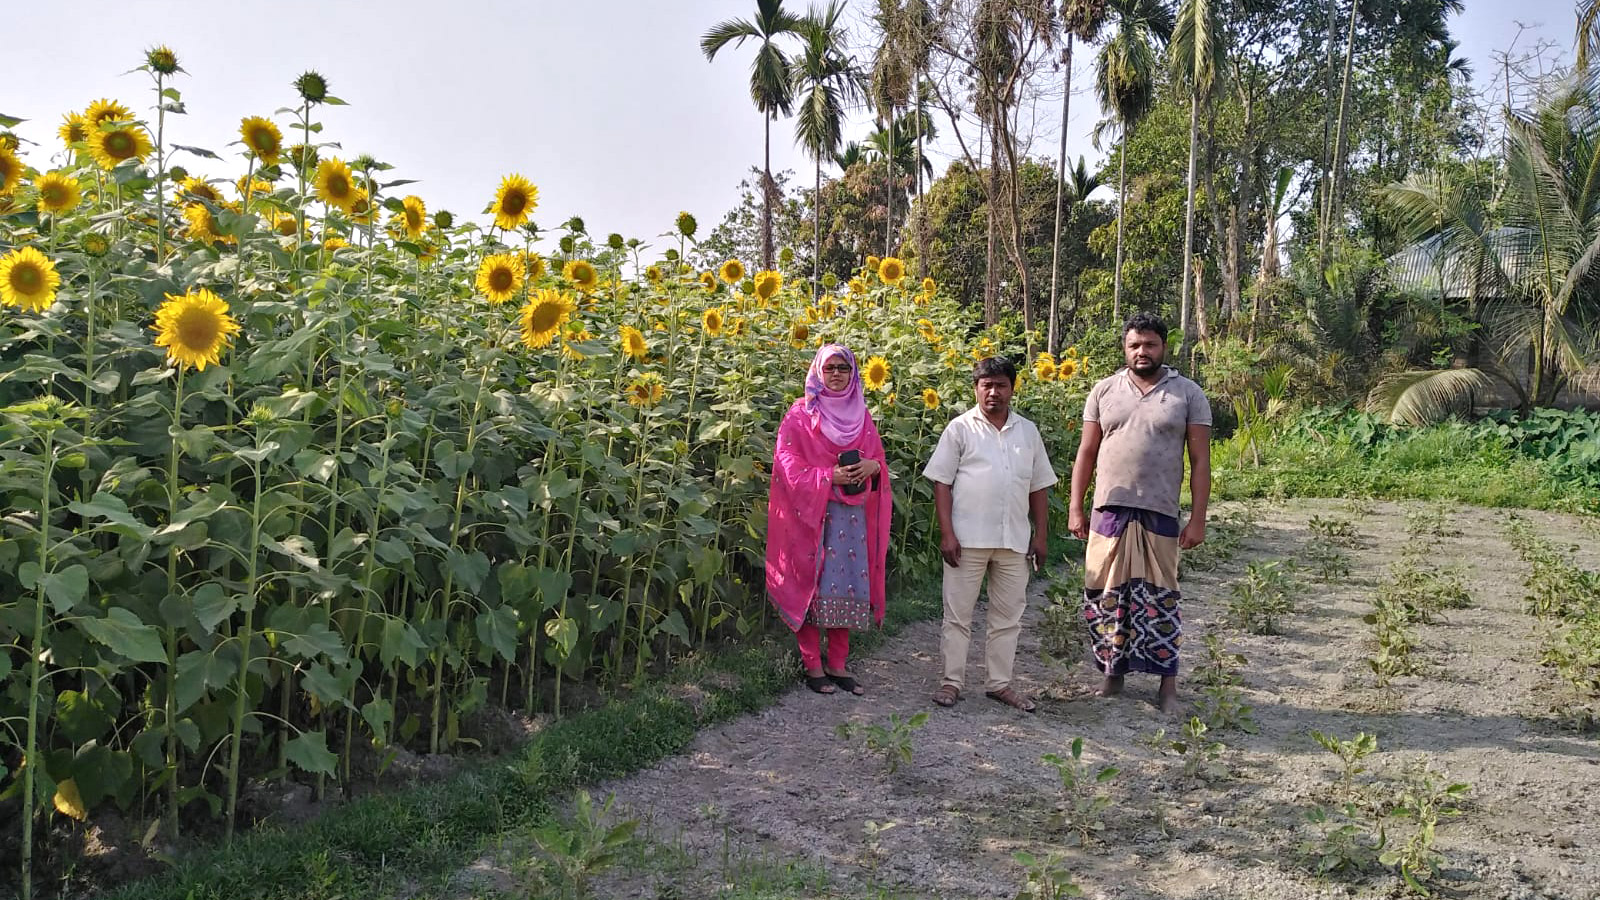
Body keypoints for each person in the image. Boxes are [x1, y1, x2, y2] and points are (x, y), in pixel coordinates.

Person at [1068, 312, 1211, 715]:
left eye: (1149, 344)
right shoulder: (1104, 390)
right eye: (1134, 345)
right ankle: (1113, 674)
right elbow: (1087, 452)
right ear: (1125, 348)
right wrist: (1076, 507)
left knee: (1160, 598)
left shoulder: (1187, 393)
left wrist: (1197, 518)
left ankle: (1168, 686)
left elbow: (1200, 461)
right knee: (1105, 595)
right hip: (1109, 510)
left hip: (1159, 511)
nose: (1142, 352)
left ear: (1164, 347)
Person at [924, 357, 1058, 712]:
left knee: (1008, 616)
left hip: (1014, 540)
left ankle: (1000, 683)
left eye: (1001, 385)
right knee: (957, 613)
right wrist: (947, 533)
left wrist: (1041, 536)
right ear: (976, 389)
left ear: (1013, 388)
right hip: (966, 540)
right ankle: (951, 681)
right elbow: (942, 482)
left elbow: (1039, 486)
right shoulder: (959, 429)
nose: (994, 392)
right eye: (986, 385)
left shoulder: (1027, 431)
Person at [766, 344, 892, 695]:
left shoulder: (861, 415)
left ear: (853, 374)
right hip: (810, 514)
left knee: (846, 585)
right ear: (818, 373)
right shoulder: (800, 415)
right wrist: (827, 478)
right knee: (811, 584)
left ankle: (838, 664)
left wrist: (874, 467)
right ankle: (812, 665)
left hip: (850, 518)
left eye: (844, 368)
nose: (837, 374)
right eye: (830, 368)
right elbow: (786, 464)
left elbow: (877, 459)